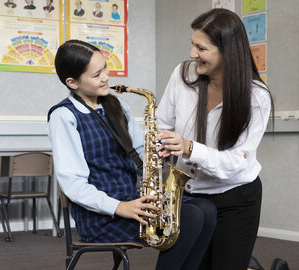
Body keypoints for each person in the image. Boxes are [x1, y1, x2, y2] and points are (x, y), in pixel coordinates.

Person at [47, 39, 217, 270]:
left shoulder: (116, 106)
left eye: (105, 68)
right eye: (97, 74)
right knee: (191, 217)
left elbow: (141, 154)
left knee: (206, 209)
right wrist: (120, 207)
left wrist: (160, 153)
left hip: (133, 199)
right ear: (72, 82)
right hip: (102, 215)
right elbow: (73, 184)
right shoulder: (63, 116)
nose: (106, 77)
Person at [156, 8, 274, 270]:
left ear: (227, 52)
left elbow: (236, 162)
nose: (192, 54)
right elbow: (162, 124)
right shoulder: (182, 75)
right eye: (192, 44)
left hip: (236, 199)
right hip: (189, 197)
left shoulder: (257, 97)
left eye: (202, 48)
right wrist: (161, 146)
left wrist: (189, 148)